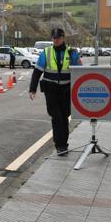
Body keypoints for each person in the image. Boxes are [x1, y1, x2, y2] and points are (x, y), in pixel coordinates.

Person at [29, 28, 82, 156]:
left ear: (63, 38)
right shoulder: (46, 52)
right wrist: (32, 89)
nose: (56, 40)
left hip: (66, 91)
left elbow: (79, 73)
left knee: (64, 118)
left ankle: (64, 144)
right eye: (54, 38)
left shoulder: (72, 53)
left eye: (58, 38)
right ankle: (60, 146)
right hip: (51, 91)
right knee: (56, 117)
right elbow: (37, 72)